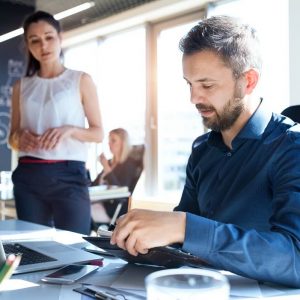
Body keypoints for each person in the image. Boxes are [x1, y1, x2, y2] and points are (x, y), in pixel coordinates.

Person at [111, 15, 300, 287]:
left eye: (207, 85)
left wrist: (184, 227)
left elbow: (295, 256)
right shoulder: (202, 150)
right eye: (190, 84)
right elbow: (183, 241)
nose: (194, 98)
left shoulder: (291, 147)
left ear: (248, 81)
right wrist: (147, 238)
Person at [8, 11, 103, 235]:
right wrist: (20, 138)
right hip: (29, 176)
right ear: (28, 45)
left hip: (70, 175)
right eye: (35, 40)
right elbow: (12, 138)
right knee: (34, 248)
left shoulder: (81, 80)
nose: (44, 45)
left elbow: (98, 133)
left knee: (77, 248)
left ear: (61, 38)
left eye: (49, 37)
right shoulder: (20, 87)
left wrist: (69, 130)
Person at [91, 128, 143, 223]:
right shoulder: (110, 162)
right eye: (109, 141)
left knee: (82, 210)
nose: (109, 144)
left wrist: (106, 167)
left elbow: (121, 191)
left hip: (113, 209)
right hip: (99, 203)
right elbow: (93, 185)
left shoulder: (129, 165)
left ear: (123, 143)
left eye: (113, 140)